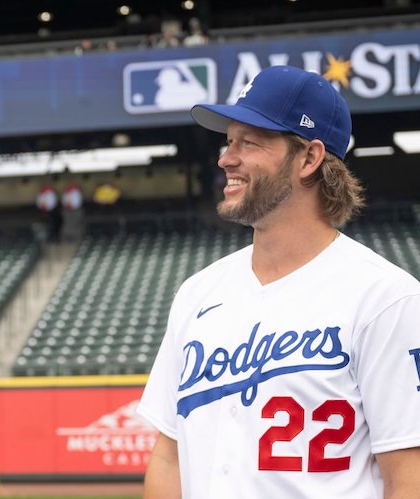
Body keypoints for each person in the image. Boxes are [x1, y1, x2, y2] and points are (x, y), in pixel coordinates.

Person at [138, 65, 420, 498]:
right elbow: (169, 456)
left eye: (249, 142)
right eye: (228, 141)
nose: (226, 158)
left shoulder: (386, 299)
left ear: (309, 158)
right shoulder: (198, 292)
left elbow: (408, 477)